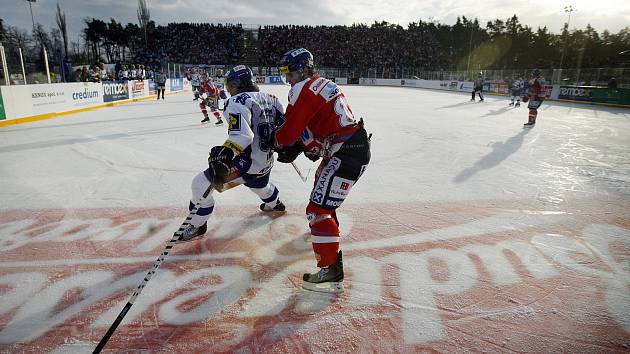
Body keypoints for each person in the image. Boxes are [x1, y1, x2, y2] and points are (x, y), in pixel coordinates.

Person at [274, 48, 371, 293]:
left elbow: (287, 133)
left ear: (304, 69)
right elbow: (314, 132)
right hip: (346, 148)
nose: (287, 78)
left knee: (317, 210)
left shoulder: (304, 91)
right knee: (323, 203)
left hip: (347, 152)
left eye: (290, 72)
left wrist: (280, 143)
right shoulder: (319, 84)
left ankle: (331, 269)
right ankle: (327, 242)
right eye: (284, 73)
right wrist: (302, 146)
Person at [179, 65, 286, 242]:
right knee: (259, 186)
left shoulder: (237, 101)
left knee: (200, 184)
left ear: (238, 84)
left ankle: (197, 224)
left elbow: (243, 136)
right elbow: (283, 128)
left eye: (230, 85)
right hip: (266, 161)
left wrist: (226, 152)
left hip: (245, 162)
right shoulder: (272, 98)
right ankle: (275, 204)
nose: (228, 89)